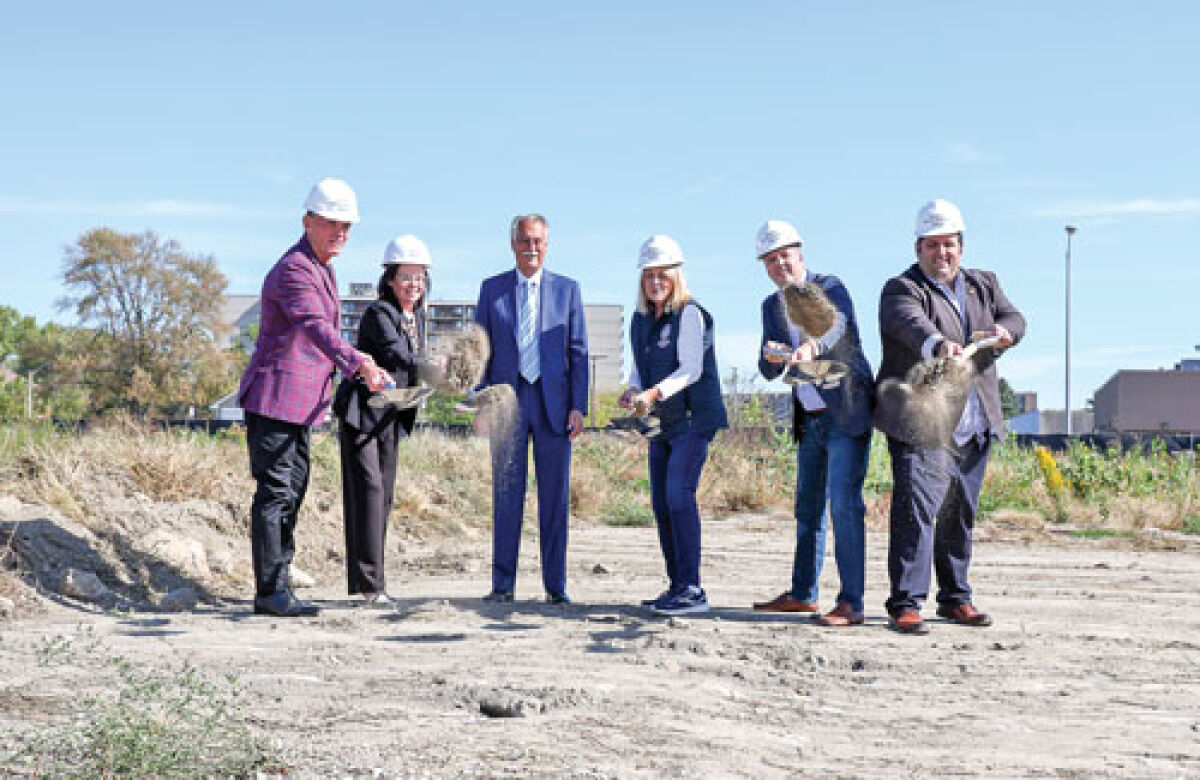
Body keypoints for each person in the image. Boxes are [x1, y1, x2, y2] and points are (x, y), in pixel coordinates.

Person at [237, 178, 389, 617]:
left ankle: (280, 583)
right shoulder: (295, 269)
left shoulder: (322, 266)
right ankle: (270, 591)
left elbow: (325, 333)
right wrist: (357, 363)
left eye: (347, 226)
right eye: (332, 223)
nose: (340, 233)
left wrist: (357, 357)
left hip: (299, 407)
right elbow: (315, 328)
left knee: (292, 491)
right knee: (277, 492)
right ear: (307, 221)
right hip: (274, 401)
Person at [875, 198, 1026, 634]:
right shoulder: (901, 288)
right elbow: (909, 323)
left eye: (950, 245)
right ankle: (906, 603)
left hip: (974, 420)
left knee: (959, 512)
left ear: (961, 246)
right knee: (917, 512)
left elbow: (1014, 317)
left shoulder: (984, 284)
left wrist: (1006, 332)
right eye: (933, 245)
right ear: (918, 247)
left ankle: (955, 597)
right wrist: (939, 344)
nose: (942, 254)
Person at [750, 220, 875, 627]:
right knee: (808, 509)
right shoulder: (772, 306)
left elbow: (837, 326)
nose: (779, 265)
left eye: (784, 255)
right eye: (770, 260)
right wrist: (771, 354)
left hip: (846, 412)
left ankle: (852, 602)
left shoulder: (830, 286)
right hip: (811, 418)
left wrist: (811, 347)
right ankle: (803, 594)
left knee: (843, 506)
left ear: (799, 255)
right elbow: (767, 368)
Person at [473, 214, 588, 604]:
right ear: (513, 244)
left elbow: (579, 352)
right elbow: (478, 351)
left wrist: (579, 406)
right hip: (507, 404)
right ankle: (502, 584)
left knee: (554, 499)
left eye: (537, 241)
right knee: (507, 496)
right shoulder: (493, 290)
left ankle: (556, 587)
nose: (531, 248)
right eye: (524, 240)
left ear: (547, 244)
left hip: (554, 406)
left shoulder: (567, 291)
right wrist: (481, 402)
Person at [620, 235, 728, 616]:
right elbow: (638, 366)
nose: (655, 282)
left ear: (676, 275)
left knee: (679, 494)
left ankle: (693, 589)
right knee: (662, 503)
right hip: (663, 423)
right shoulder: (640, 319)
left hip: (693, 419)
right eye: (648, 275)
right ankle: (676, 585)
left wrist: (653, 394)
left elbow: (690, 369)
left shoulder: (690, 314)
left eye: (662, 274)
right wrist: (634, 390)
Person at [332, 235, 433, 608]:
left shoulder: (417, 316)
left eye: (419, 278)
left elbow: (412, 366)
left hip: (391, 415)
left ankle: (374, 583)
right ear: (389, 280)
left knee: (384, 496)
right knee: (369, 493)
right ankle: (368, 586)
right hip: (362, 415)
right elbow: (397, 354)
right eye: (405, 277)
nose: (413, 285)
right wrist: (434, 366)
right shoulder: (380, 313)